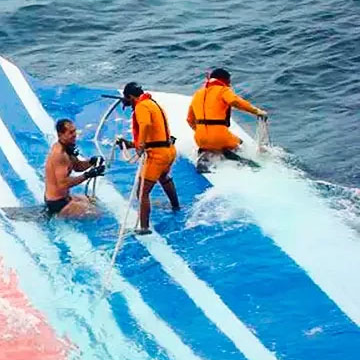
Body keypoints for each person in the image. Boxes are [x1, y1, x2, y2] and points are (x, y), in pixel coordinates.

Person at [118, 82, 180, 235]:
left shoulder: (141, 107)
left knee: (142, 191)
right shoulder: (152, 103)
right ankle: (175, 206)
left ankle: (144, 228)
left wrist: (139, 146)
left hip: (157, 156)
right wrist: (131, 144)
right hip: (169, 151)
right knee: (164, 177)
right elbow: (155, 137)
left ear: (131, 97)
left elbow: (145, 125)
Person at [186, 68, 268, 172]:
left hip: (200, 138)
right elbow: (235, 101)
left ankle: (206, 157)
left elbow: (189, 119)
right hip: (220, 137)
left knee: (211, 146)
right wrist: (256, 111)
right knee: (241, 143)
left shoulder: (197, 94)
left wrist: (203, 132)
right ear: (224, 80)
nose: (229, 84)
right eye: (229, 81)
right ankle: (232, 156)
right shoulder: (223, 90)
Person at [44, 118, 106, 217]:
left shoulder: (67, 148)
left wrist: (91, 162)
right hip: (57, 203)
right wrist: (88, 175)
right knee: (97, 214)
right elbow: (63, 184)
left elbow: (77, 166)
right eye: (71, 132)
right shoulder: (59, 155)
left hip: (65, 197)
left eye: (74, 131)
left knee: (94, 201)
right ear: (60, 135)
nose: (75, 135)